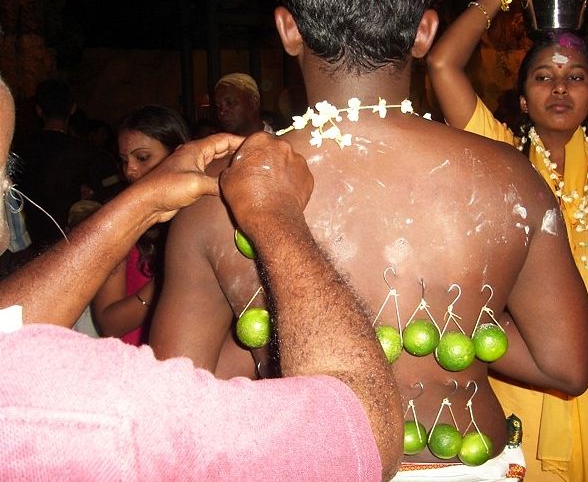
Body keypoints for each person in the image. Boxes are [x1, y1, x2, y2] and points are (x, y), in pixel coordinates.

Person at [150, 0, 588, 478]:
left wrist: (270, 337)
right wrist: (448, 326)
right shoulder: (511, 178)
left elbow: (177, 396)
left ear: (288, 29)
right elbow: (566, 365)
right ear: (425, 32)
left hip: (307, 466)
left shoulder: (217, 191)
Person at [0, 77, 403, 480]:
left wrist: (142, 203)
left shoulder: (23, 366)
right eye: (6, 183)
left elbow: (11, 328)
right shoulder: (72, 412)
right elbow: (362, 426)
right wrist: (275, 217)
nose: (11, 210)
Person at [427, 0, 588, 479]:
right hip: (528, 394)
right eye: (543, 77)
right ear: (521, 101)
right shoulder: (501, 158)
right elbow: (440, 63)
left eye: (576, 77)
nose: (560, 87)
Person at [92, 105, 190, 345]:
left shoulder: (197, 213)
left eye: (142, 157)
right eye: (124, 160)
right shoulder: (118, 220)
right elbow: (109, 324)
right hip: (137, 365)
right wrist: (168, 279)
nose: (130, 170)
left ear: (177, 155)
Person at [13, 79, 120, 250]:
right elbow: (114, 196)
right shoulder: (93, 154)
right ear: (72, 108)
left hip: (24, 250)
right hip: (75, 249)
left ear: (39, 110)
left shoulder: (16, 152)